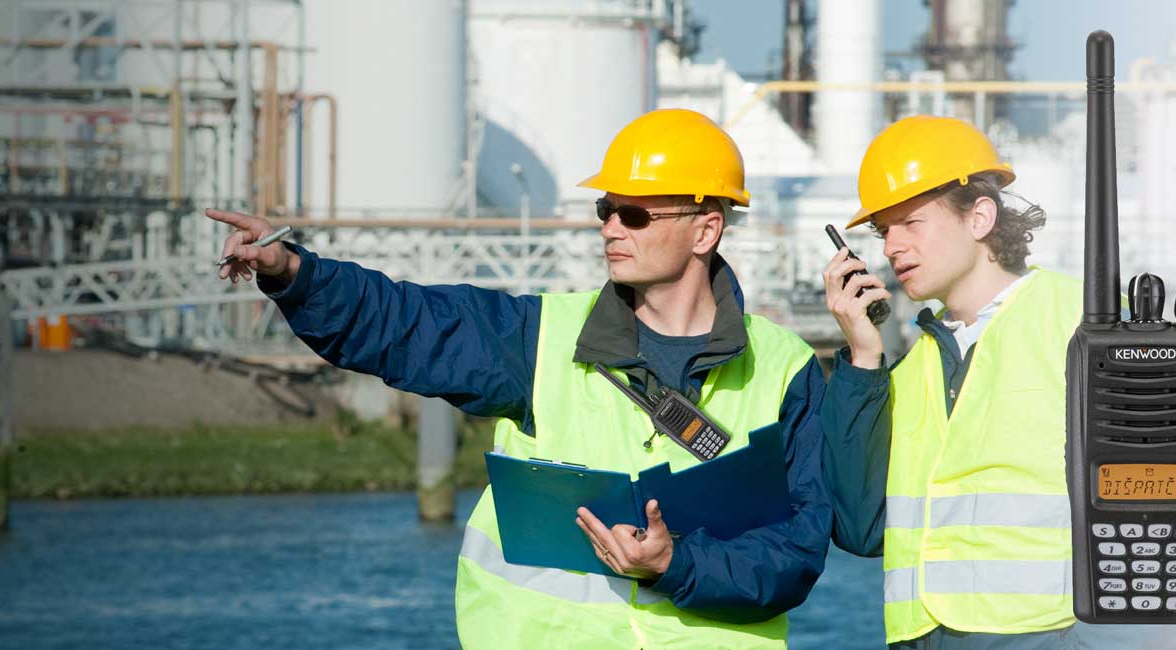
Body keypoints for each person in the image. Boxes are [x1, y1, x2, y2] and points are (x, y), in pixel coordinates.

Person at [206, 108, 832, 648]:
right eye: (606, 209)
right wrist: (295, 273)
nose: (612, 227)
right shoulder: (540, 338)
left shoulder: (786, 371)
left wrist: (676, 563)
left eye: (635, 215)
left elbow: (794, 555)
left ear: (706, 229)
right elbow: (405, 324)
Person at [821, 115, 1176, 649]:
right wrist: (861, 355)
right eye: (884, 230)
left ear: (980, 217)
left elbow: (1170, 506)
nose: (892, 246)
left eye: (911, 222)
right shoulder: (907, 370)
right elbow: (859, 526)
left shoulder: (1090, 323)